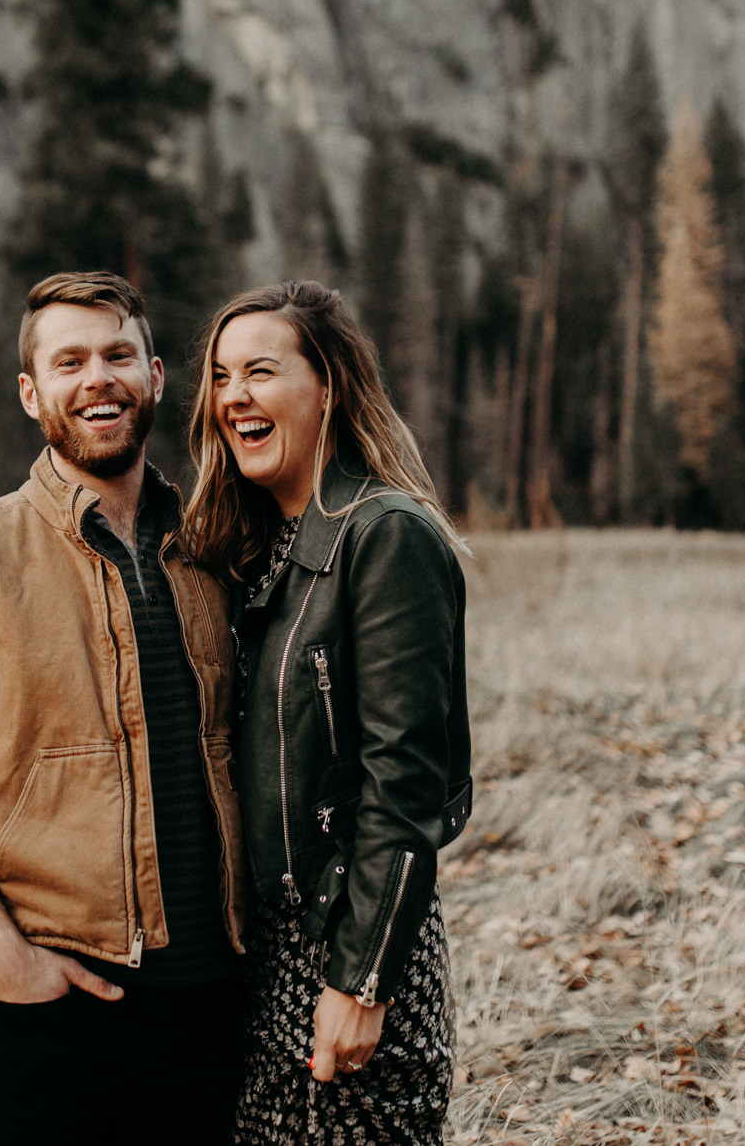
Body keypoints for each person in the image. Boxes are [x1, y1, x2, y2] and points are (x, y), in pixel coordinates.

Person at [0, 271, 247, 1146]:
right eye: (68, 361)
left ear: (155, 376)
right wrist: (2, 960)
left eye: (118, 354)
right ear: (33, 393)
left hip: (208, 1020)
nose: (96, 378)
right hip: (40, 1015)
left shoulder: (215, 547)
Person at [182, 280, 472, 1146]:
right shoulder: (250, 550)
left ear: (329, 388)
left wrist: (361, 981)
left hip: (347, 945)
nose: (236, 396)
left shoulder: (384, 537)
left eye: (262, 371)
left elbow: (406, 785)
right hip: (262, 957)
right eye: (223, 376)